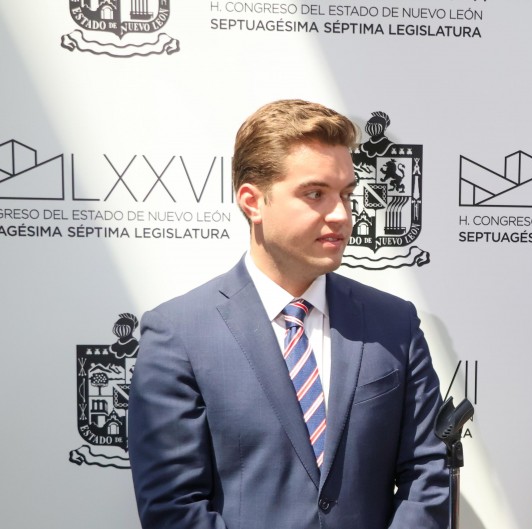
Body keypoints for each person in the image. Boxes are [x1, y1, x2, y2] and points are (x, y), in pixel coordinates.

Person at [128, 99, 448, 529]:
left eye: (346, 194)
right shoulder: (178, 334)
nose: (342, 215)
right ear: (252, 202)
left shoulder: (394, 324)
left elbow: (427, 474)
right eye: (315, 194)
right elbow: (174, 507)